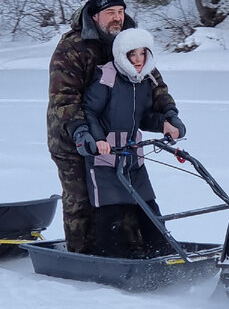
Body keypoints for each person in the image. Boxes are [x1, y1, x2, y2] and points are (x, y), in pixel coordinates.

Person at [46, 0, 182, 253]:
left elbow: (153, 84)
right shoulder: (73, 47)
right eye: (110, 13)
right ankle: (83, 259)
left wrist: (169, 116)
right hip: (71, 136)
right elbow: (64, 97)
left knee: (128, 202)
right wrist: (81, 131)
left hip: (118, 138)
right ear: (95, 16)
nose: (117, 18)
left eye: (120, 12)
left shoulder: (129, 41)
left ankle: (132, 253)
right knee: (83, 202)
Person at [77, 27, 186, 257]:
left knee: (149, 208)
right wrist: (98, 139)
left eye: (142, 53)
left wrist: (164, 124)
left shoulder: (145, 79)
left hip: (134, 156)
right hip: (105, 156)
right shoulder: (107, 76)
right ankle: (110, 260)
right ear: (121, 55)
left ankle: (161, 253)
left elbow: (144, 117)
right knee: (111, 213)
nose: (138, 60)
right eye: (132, 54)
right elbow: (90, 111)